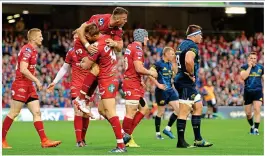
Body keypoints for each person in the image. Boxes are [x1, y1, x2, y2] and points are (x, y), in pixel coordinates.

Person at [2, 28, 61, 149]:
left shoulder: (33, 50)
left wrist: (34, 81)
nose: (42, 38)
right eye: (40, 36)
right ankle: (1, 140)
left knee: (37, 112)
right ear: (33, 38)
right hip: (21, 85)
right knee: (14, 112)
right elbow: (23, 69)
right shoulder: (27, 50)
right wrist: (37, 80)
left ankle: (44, 140)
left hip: (29, 86)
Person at [46, 24, 99, 147]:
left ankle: (83, 139)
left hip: (89, 86)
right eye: (74, 38)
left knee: (86, 113)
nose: (76, 40)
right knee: (78, 111)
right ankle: (78, 141)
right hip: (76, 84)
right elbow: (64, 69)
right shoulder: (71, 52)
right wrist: (54, 82)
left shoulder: (91, 49)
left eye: (77, 37)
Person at [77, 26, 127, 152]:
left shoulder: (97, 47)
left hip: (107, 80)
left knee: (110, 112)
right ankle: (122, 134)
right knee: (101, 110)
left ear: (93, 36)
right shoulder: (106, 38)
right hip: (111, 77)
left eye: (88, 37)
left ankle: (121, 145)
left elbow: (86, 65)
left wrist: (81, 62)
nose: (86, 39)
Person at [73, 7, 128, 112]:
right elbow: (80, 30)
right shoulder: (100, 20)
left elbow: (120, 47)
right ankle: (80, 99)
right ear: (117, 19)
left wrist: (115, 43)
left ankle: (85, 100)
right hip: (82, 45)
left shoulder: (118, 30)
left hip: (95, 49)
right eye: (124, 19)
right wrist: (87, 45)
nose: (126, 21)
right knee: (96, 69)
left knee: (98, 72)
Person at [173, 24, 213, 148]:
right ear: (194, 35)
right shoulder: (192, 46)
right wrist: (191, 74)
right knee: (184, 111)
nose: (201, 37)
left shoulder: (182, 44)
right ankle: (181, 142)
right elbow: (189, 60)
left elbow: (178, 61)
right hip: (186, 81)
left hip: (182, 79)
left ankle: (198, 139)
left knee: (198, 106)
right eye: (200, 35)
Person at [122, 29, 157, 147]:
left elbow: (131, 67)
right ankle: (123, 140)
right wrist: (151, 73)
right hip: (131, 84)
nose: (147, 39)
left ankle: (128, 135)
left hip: (134, 82)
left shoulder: (130, 47)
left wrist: (140, 79)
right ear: (142, 37)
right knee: (130, 112)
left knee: (144, 108)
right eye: (146, 37)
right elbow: (138, 68)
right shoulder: (137, 49)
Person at [149, 47, 179, 140]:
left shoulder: (170, 64)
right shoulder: (158, 64)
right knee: (161, 112)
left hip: (170, 90)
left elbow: (175, 75)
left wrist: (174, 66)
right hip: (161, 91)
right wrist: (158, 84)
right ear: (166, 54)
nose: (173, 55)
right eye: (172, 54)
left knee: (178, 110)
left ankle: (167, 129)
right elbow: (150, 74)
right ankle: (158, 133)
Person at [240, 52, 263, 135]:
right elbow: (243, 77)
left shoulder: (261, 67)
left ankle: (256, 129)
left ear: (256, 59)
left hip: (258, 92)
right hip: (248, 92)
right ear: (248, 59)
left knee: (257, 109)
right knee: (248, 114)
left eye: (254, 58)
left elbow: (263, 77)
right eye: (251, 58)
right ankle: (252, 126)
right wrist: (249, 67)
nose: (253, 60)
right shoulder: (244, 67)